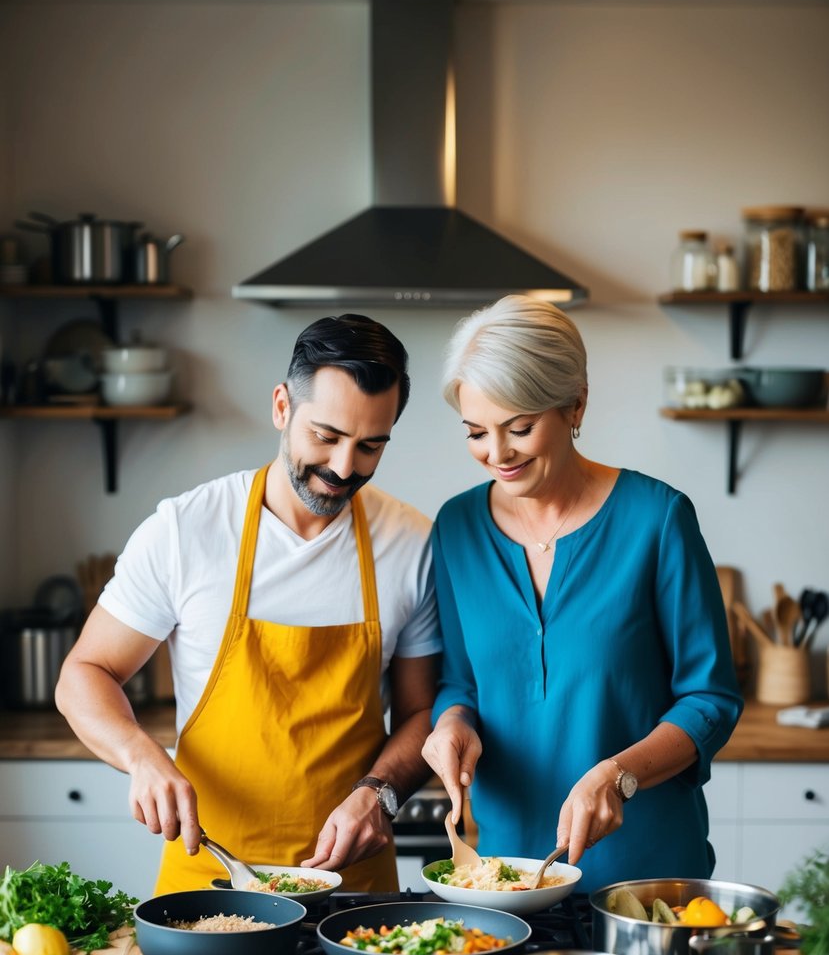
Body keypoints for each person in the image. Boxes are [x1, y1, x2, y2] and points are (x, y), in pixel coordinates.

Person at [56, 314, 440, 894]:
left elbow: (420, 713)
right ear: (282, 407)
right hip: (211, 880)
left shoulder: (411, 542)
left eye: (370, 446)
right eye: (326, 436)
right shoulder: (188, 530)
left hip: (352, 894)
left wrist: (380, 796)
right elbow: (84, 674)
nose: (343, 467)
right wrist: (141, 755)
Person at [421, 294, 742, 891]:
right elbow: (459, 682)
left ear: (575, 404)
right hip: (508, 879)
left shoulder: (658, 520)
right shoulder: (457, 529)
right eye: (475, 433)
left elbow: (709, 699)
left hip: (645, 879)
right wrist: (451, 726)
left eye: (520, 428)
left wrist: (618, 774)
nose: (497, 455)